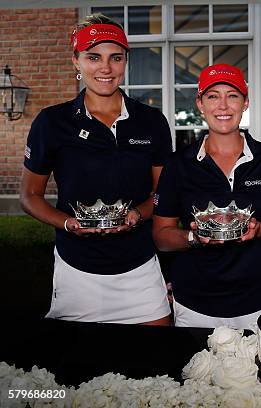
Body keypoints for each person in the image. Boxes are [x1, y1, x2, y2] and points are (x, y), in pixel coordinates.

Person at [20, 14, 172, 325]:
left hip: (139, 266)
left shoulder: (152, 121)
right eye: (94, 57)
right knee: (78, 366)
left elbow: (162, 194)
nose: (105, 68)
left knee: (157, 363)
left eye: (115, 58)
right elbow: (29, 195)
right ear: (76, 61)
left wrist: (139, 214)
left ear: (125, 61)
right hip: (77, 268)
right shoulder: (52, 122)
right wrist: (68, 224)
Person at [152, 63, 261, 329]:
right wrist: (193, 238)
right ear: (200, 104)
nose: (223, 106)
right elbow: (161, 236)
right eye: (213, 96)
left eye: (232, 96)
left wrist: (258, 229)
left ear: (245, 103)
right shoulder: (179, 163)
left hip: (260, 300)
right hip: (195, 302)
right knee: (196, 371)